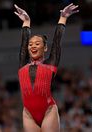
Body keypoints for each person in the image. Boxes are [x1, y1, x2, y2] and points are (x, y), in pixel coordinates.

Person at [14, 3, 79, 132]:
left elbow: (57, 42)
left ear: (45, 48)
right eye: (30, 44)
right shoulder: (23, 64)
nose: (32, 46)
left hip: (48, 111)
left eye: (37, 44)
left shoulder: (50, 64)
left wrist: (63, 18)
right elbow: (23, 44)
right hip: (28, 114)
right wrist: (27, 22)